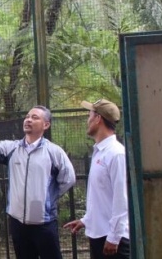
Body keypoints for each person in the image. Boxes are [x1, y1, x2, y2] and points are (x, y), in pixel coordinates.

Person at [0, 106, 76, 259]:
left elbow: (69, 178)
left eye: (35, 117)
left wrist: (49, 196)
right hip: (18, 223)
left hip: (44, 224)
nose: (28, 119)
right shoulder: (12, 148)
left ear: (46, 125)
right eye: (27, 116)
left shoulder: (54, 152)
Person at [63, 99, 130, 259]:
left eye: (89, 115)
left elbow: (122, 199)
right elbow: (101, 196)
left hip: (114, 240)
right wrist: (86, 220)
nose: (88, 120)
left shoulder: (116, 154)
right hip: (99, 235)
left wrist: (114, 237)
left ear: (98, 119)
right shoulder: (100, 152)